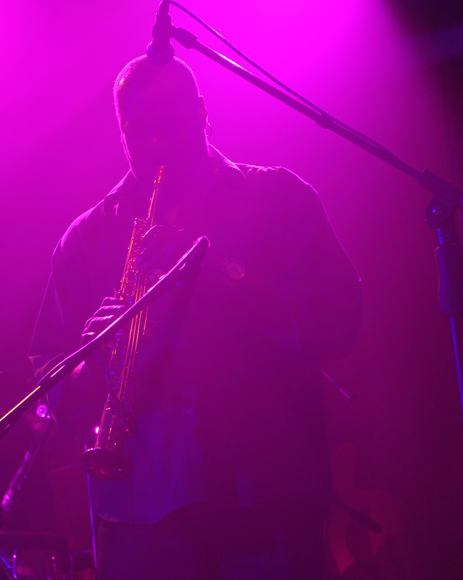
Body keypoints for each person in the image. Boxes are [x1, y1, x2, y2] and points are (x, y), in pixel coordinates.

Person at [29, 54, 362, 579]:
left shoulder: (277, 198)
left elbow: (341, 319)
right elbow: (51, 377)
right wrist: (90, 364)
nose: (153, 143)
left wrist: (225, 277)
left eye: (168, 123)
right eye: (135, 131)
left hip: (267, 495)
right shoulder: (86, 239)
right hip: (139, 509)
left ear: (203, 112)